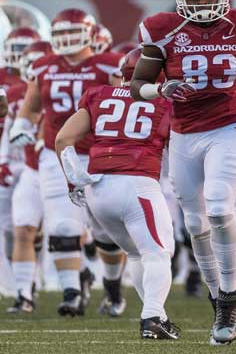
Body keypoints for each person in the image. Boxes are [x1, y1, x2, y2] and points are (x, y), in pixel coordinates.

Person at [129, 0, 236, 345]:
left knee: (218, 206)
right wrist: (162, 90)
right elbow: (138, 86)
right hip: (185, 136)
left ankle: (231, 296)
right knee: (195, 223)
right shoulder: (162, 29)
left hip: (231, 128)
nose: (202, 5)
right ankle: (217, 296)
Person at [54, 48, 179, 339]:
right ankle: (151, 318)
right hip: (137, 185)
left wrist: (73, 180)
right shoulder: (167, 102)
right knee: (158, 253)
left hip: (98, 190)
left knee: (136, 254)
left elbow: (63, 139)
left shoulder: (98, 95)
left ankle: (156, 314)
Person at [8, 9, 123, 316]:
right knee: (61, 224)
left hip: (102, 152)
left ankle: (112, 288)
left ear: (90, 34)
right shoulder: (44, 66)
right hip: (56, 153)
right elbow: (31, 107)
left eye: (72, 32)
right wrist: (22, 126)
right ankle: (71, 291)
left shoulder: (108, 64)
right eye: (59, 34)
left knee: (105, 231)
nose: (66, 40)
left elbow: (128, 101)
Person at [5, 40, 51, 313]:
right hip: (31, 171)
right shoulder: (14, 92)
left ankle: (76, 285)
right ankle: (24, 295)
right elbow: (8, 131)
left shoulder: (63, 87)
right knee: (22, 230)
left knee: (68, 234)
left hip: (59, 167)